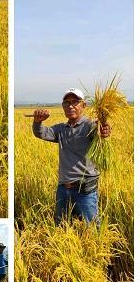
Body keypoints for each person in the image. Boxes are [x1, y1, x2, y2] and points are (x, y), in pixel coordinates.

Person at [32, 88, 111, 225]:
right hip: (63, 189)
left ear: (83, 105)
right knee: (61, 225)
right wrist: (37, 122)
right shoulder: (61, 129)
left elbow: (102, 132)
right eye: (66, 103)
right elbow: (42, 133)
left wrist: (105, 131)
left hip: (85, 190)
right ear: (63, 106)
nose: (70, 106)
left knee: (92, 229)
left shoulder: (91, 126)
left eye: (75, 102)